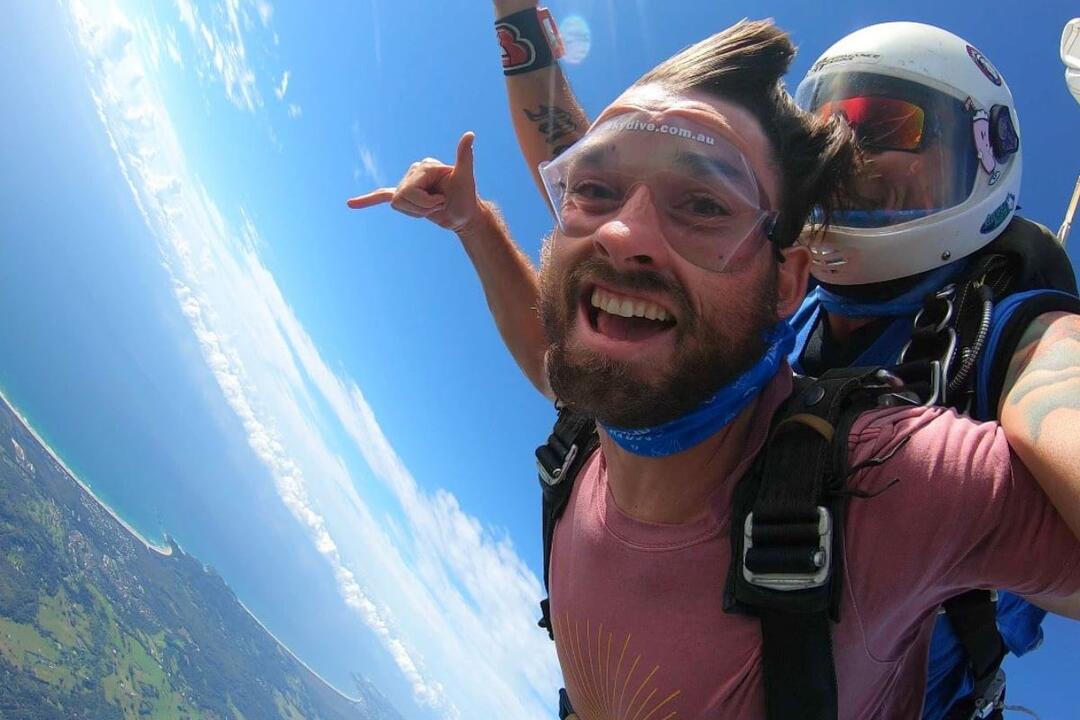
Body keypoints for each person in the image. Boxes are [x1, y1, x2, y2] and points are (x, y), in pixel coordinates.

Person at [351, 8, 1079, 718]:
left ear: (984, 154)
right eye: (834, 125)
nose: (850, 149)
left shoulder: (1005, 348)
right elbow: (582, 203)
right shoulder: (754, 319)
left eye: (888, 126)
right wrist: (477, 220)